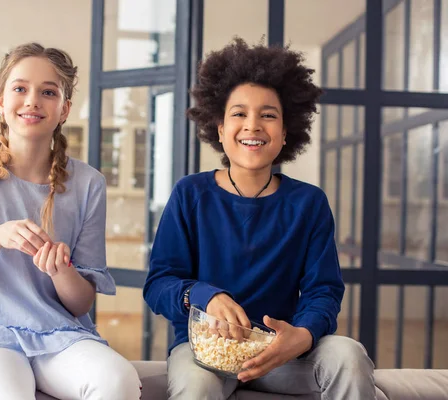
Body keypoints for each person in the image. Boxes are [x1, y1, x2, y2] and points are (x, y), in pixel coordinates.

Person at [143, 38, 376, 400]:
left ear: (285, 133)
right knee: (198, 385)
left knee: (349, 353)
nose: (253, 125)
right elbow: (159, 284)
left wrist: (303, 335)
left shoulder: (308, 203)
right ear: (219, 128)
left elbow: (323, 291)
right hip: (205, 353)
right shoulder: (190, 194)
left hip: (281, 355)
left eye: (268, 115)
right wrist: (204, 295)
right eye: (239, 113)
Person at [0, 43, 141, 400]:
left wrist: (60, 270)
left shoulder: (89, 184)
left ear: (64, 109)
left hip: (61, 335)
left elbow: (81, 303)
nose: (32, 100)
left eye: (48, 92)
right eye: (20, 88)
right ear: (0, 102)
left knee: (119, 380)